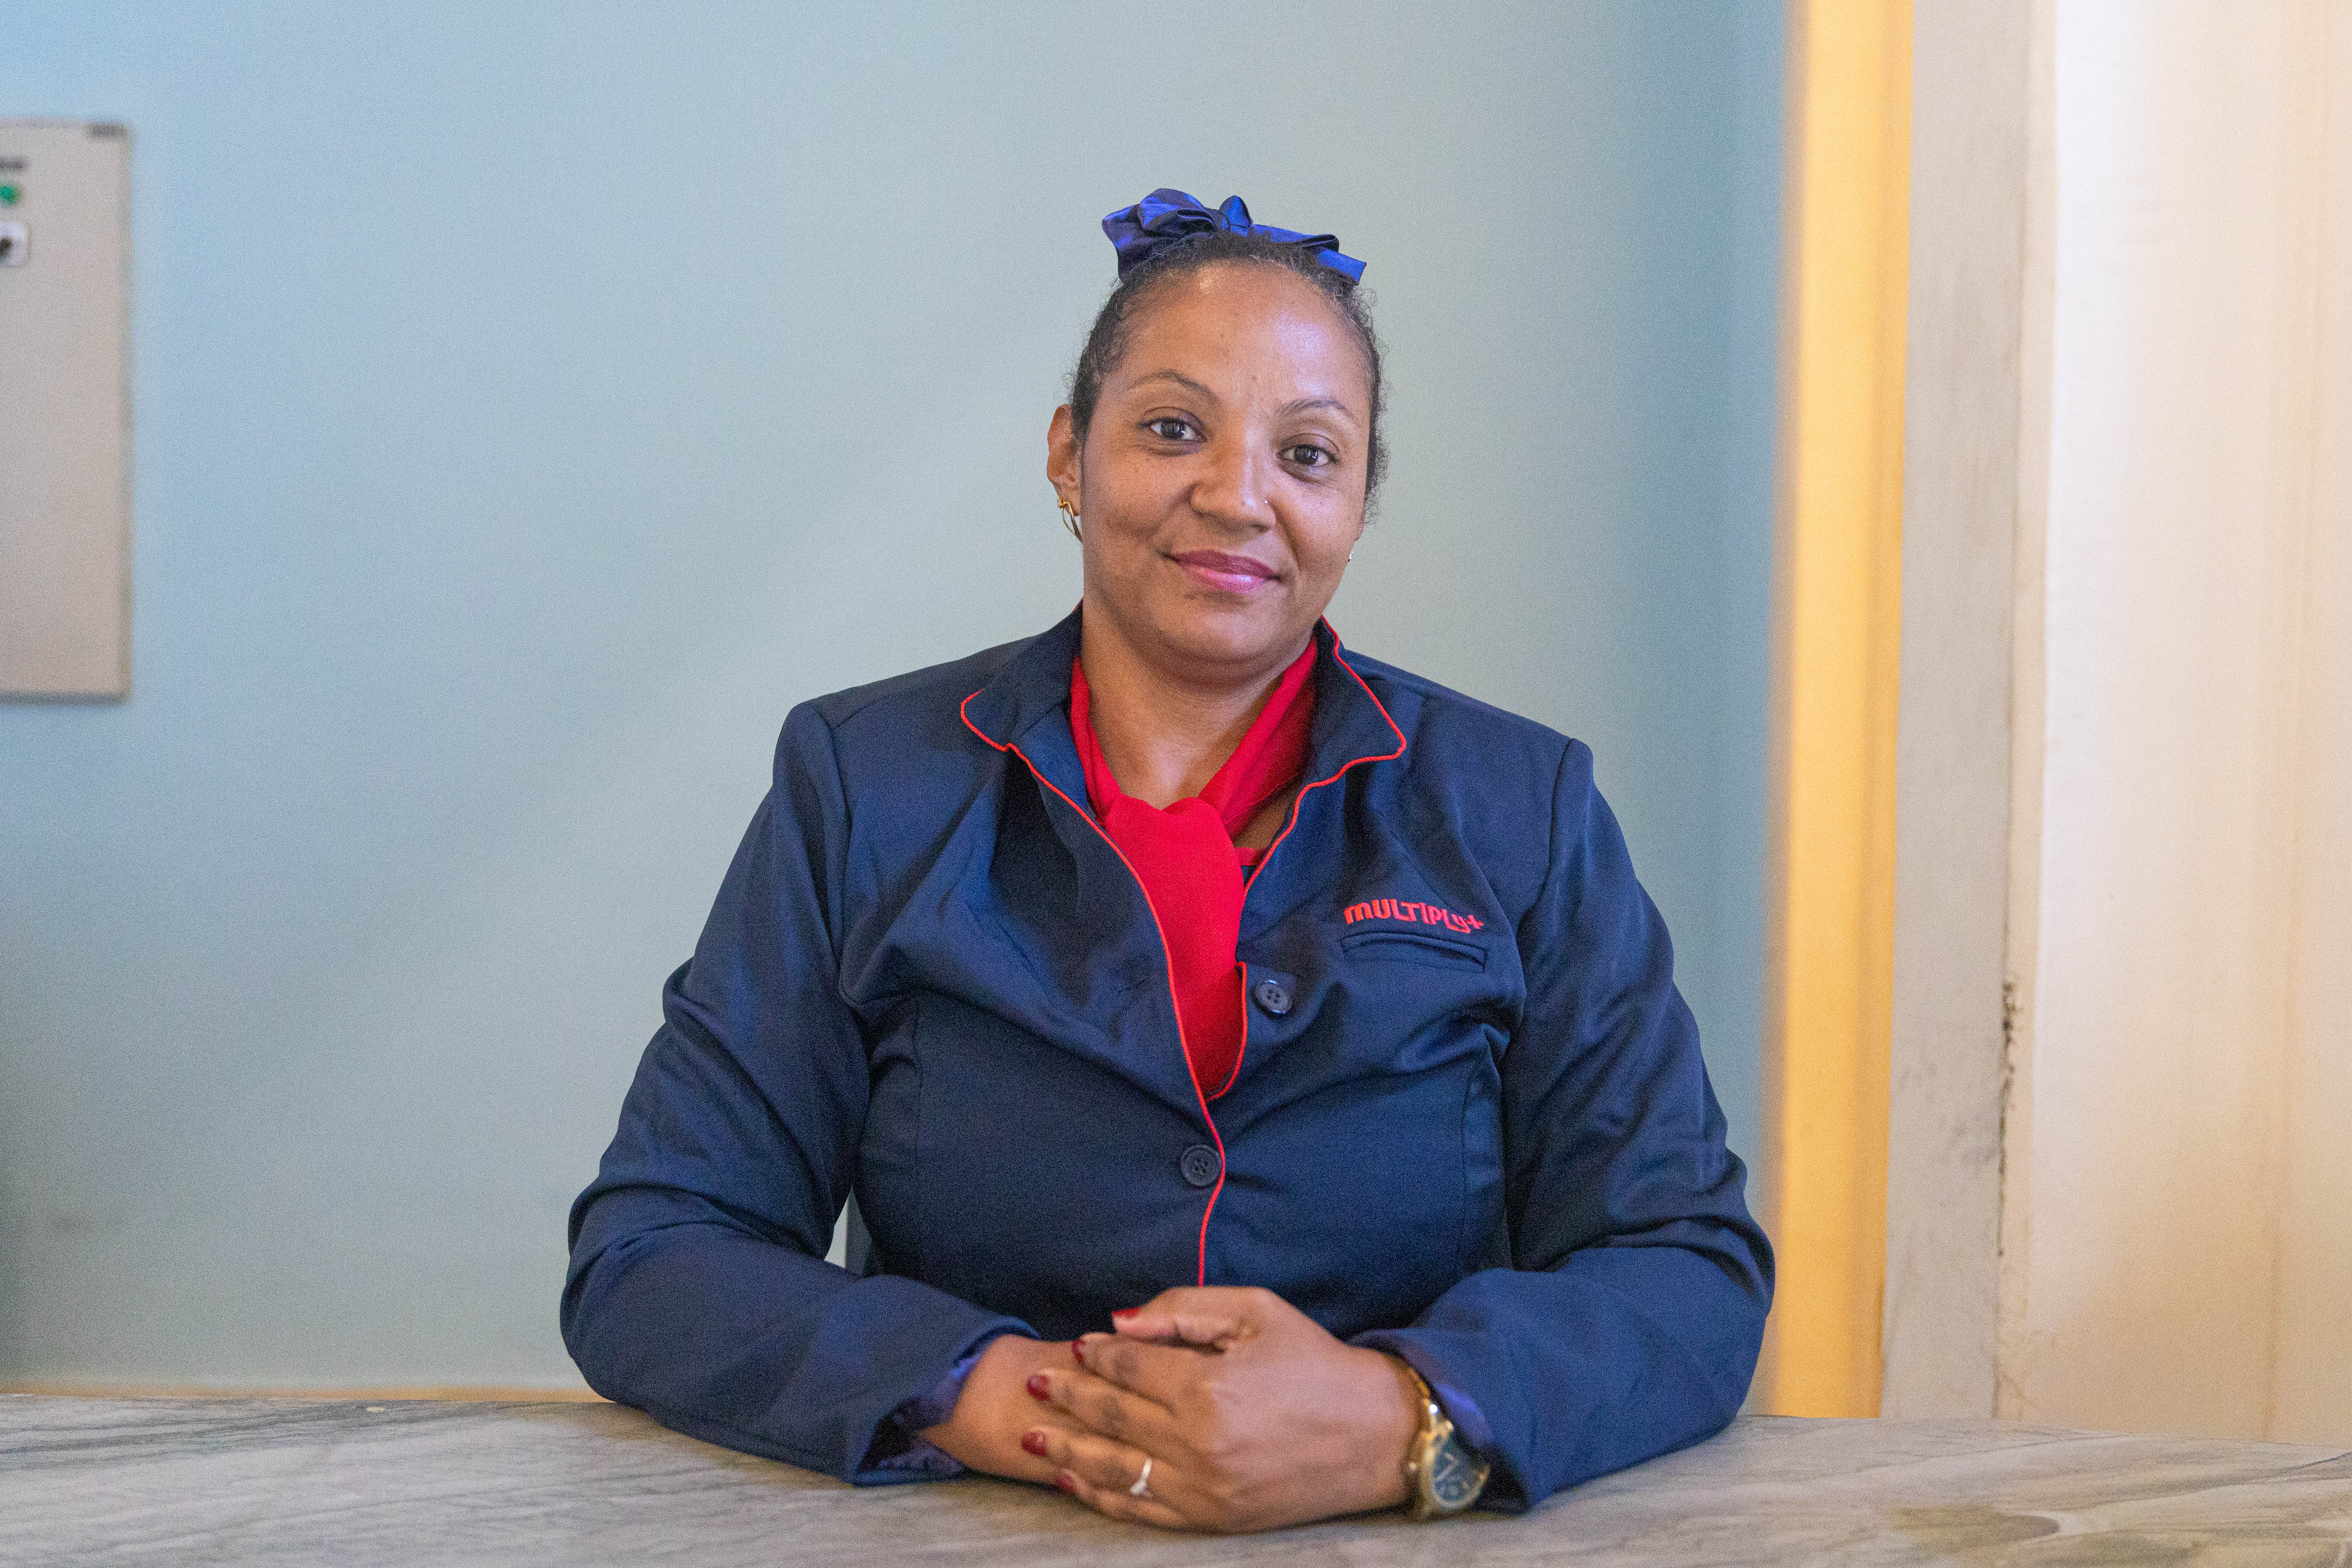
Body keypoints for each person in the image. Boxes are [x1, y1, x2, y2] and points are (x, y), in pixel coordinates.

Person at [562, 189, 1771, 1533]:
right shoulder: (863, 782)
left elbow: (1685, 1266)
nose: (1237, 497)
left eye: (1306, 453)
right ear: (1068, 456)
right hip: (966, 1525)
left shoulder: (1519, 806)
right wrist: (1015, 1401)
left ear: (1355, 501)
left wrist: (1396, 1418)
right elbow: (653, 1252)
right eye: (1173, 429)